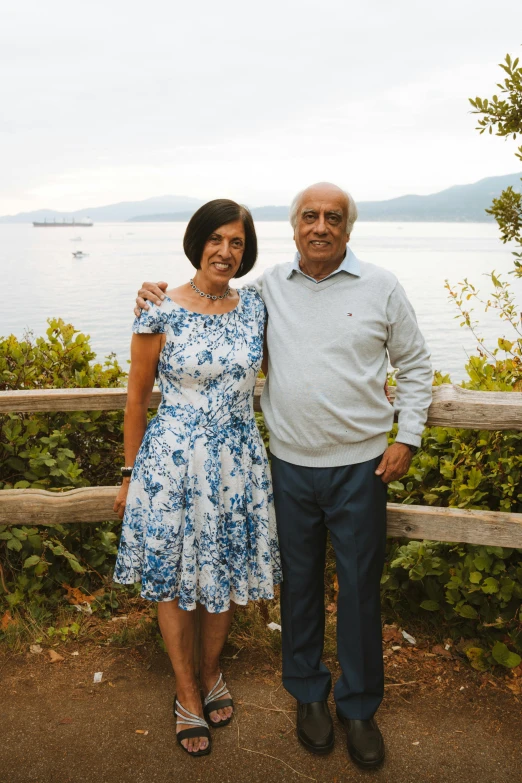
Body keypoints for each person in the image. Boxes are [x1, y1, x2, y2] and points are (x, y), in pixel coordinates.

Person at [135, 182, 433, 769]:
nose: (320, 226)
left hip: (361, 463)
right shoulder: (266, 288)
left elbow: (416, 364)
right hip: (289, 464)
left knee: (358, 588)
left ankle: (359, 706)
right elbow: (205, 297)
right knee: (297, 589)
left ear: (348, 229)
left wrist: (408, 436)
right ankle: (308, 697)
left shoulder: (381, 286)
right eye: (309, 217)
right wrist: (153, 291)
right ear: (294, 226)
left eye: (333, 218)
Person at [113, 199, 281, 758]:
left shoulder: (255, 308)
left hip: (237, 464)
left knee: (222, 570)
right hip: (170, 465)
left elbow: (294, 366)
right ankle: (186, 692)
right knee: (174, 575)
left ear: (246, 251)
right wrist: (130, 475)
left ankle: (211, 673)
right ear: (197, 242)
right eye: (217, 239)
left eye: (237, 242)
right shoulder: (158, 307)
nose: (226, 251)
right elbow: (136, 401)